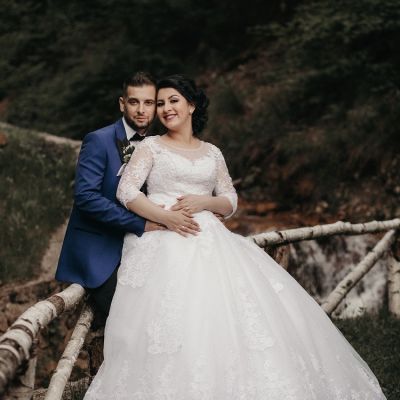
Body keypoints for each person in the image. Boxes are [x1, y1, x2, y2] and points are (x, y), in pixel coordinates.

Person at [84, 75, 386, 399]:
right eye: (160, 103)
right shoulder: (151, 147)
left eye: (173, 101)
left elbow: (230, 199)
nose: (166, 108)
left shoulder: (212, 152)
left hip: (213, 241)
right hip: (165, 239)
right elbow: (126, 191)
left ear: (191, 105)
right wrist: (166, 218)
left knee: (236, 314)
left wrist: (205, 201)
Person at [55, 72, 200, 317]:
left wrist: (204, 211)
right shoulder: (99, 140)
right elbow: (86, 197)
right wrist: (141, 223)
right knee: (131, 318)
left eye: (149, 103)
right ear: (122, 104)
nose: (141, 110)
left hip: (143, 249)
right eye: (134, 102)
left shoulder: (156, 145)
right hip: (100, 253)